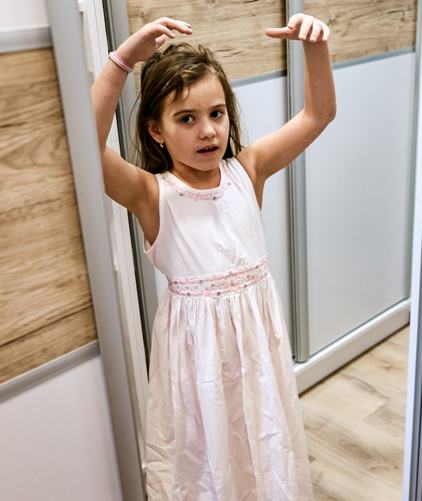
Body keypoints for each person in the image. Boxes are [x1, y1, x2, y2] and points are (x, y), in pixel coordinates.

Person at [91, 14, 335, 500]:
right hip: (197, 362)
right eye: (186, 119)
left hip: (256, 351)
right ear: (156, 131)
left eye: (217, 114)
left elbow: (317, 115)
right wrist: (121, 62)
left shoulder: (248, 171)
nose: (208, 131)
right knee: (207, 458)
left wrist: (315, 48)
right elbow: (86, 148)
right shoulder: (153, 195)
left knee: (264, 442)